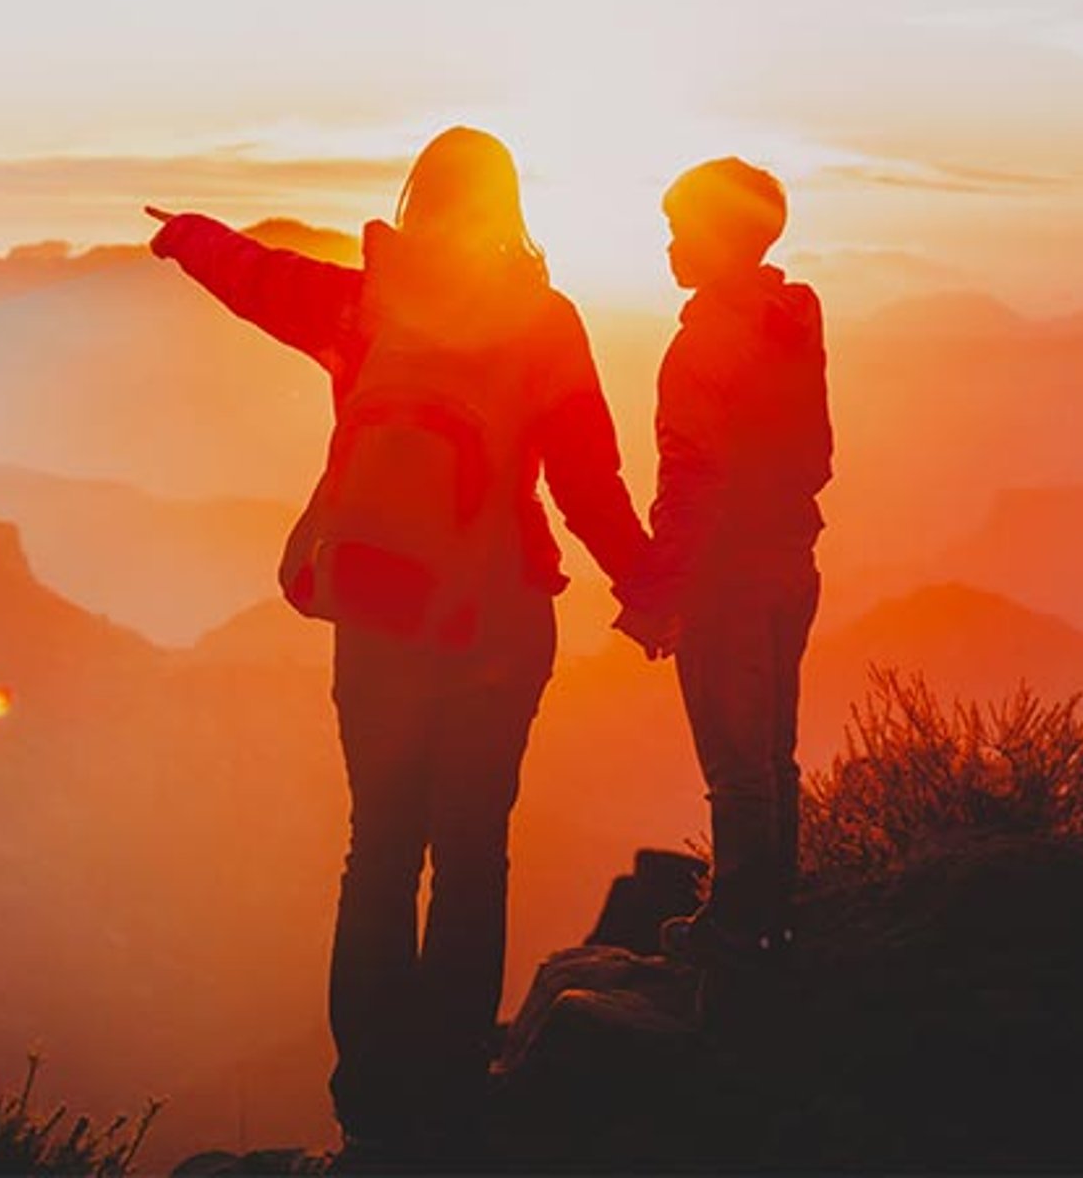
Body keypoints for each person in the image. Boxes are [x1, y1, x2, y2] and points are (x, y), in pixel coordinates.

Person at [144, 127, 656, 1162]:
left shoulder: (360, 302)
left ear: (419, 199)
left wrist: (188, 236)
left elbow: (258, 277)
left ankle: (370, 1096)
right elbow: (588, 478)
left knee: (377, 851)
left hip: (379, 618)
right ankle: (452, 1083)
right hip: (497, 621)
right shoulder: (541, 323)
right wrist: (648, 588)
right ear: (506, 207)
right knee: (471, 854)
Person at [616, 158, 832, 974]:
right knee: (774, 752)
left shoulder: (704, 347)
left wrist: (656, 595)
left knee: (736, 764)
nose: (670, 246)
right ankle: (776, 916)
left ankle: (741, 932)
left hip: (727, 575)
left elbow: (690, 485)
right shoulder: (794, 316)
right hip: (791, 558)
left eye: (681, 230)